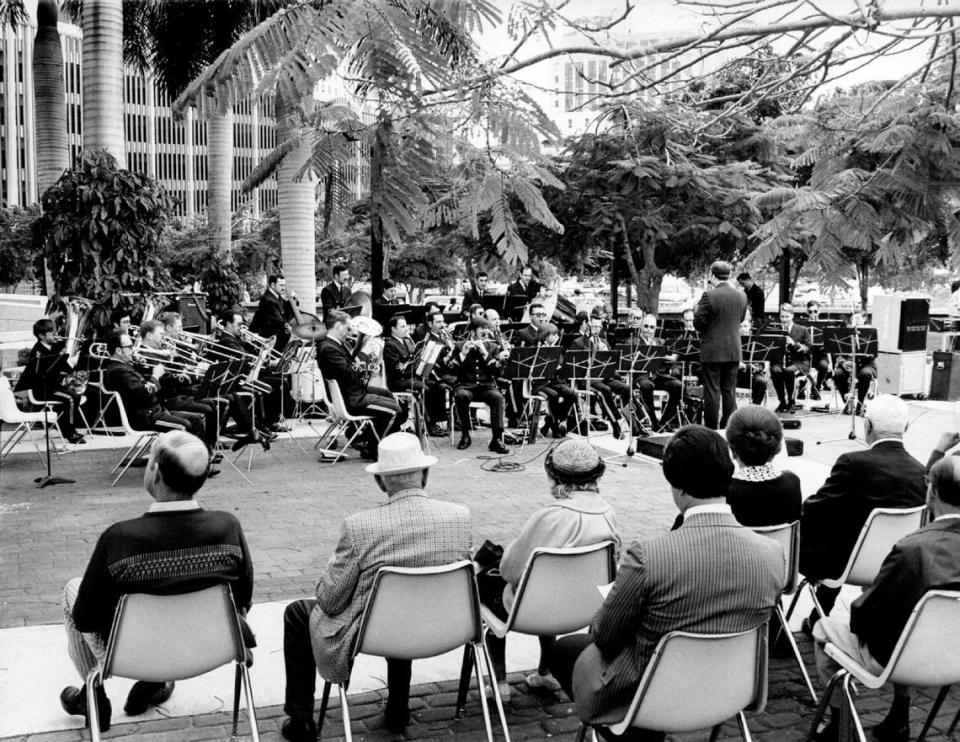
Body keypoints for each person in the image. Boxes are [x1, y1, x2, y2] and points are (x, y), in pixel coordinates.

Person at [549, 426, 785, 740]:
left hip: (652, 700)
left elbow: (605, 637)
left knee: (567, 649)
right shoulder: (773, 554)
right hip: (729, 690)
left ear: (676, 485)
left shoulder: (649, 556)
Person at [280, 433, 472, 741]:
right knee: (400, 601)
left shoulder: (360, 526)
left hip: (380, 629)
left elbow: (329, 601)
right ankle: (398, 708)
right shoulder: (459, 517)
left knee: (298, 613)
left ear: (381, 482)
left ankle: (301, 719)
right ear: (425, 474)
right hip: (443, 627)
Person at [59, 431, 254, 732]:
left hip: (130, 655)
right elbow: (243, 599)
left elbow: (85, 618)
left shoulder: (120, 538)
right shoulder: (228, 527)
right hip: (212, 647)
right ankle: (154, 681)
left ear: (156, 473)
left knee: (74, 589)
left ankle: (93, 696)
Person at [811, 454, 960, 742]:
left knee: (825, 629)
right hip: (954, 658)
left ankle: (839, 722)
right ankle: (898, 713)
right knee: (909, 623)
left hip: (903, 659)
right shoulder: (917, 547)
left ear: (932, 491)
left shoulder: (913, 548)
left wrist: (864, 601)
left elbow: (868, 617)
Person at [481, 439, 620, 698]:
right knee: (547, 586)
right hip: (583, 608)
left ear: (553, 476)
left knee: (488, 585)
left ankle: (499, 683)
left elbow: (509, 571)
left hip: (534, 609)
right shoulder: (608, 513)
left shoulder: (549, 516)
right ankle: (545, 672)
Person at [799, 394, 927, 633]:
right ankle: (820, 615)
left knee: (833, 530)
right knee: (848, 531)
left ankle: (816, 615)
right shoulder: (922, 472)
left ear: (867, 425)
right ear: (906, 427)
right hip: (894, 565)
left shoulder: (852, 462)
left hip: (845, 563)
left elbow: (817, 508)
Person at [317, 310, 400, 460]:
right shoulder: (329, 348)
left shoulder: (334, 345)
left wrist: (366, 366)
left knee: (388, 395)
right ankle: (374, 448)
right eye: (347, 328)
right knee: (395, 411)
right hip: (351, 398)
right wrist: (366, 362)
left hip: (352, 391)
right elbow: (350, 374)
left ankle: (367, 439)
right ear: (337, 326)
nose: (350, 332)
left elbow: (350, 372)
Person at [102, 331, 209, 444]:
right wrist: (155, 376)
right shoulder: (117, 371)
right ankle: (184, 459)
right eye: (129, 347)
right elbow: (143, 392)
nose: (132, 349)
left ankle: (203, 457)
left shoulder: (126, 366)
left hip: (156, 411)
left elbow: (146, 381)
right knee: (183, 426)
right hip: (145, 418)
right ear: (118, 350)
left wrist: (146, 369)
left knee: (196, 420)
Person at [724, 406, 802, 527]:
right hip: (781, 546)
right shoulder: (792, 483)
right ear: (776, 448)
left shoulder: (723, 491)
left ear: (733, 450)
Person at [695, 261, 747, 429]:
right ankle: (728, 428)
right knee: (729, 390)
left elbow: (698, 322)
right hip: (733, 350)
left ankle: (711, 429)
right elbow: (741, 319)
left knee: (712, 391)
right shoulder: (741, 295)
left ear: (712, 275)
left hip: (712, 351)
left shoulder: (709, 296)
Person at [16, 318, 86, 443]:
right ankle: (70, 433)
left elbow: (67, 369)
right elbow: (38, 374)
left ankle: (67, 427)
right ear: (41, 335)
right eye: (52, 332)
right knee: (70, 398)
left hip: (52, 387)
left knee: (76, 396)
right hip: (41, 390)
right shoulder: (37, 351)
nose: (56, 335)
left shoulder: (55, 347)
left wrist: (75, 357)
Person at [451, 319, 510, 454]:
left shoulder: (493, 347)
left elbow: (497, 372)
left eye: (487, 329)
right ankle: (465, 434)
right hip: (465, 386)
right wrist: (463, 354)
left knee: (497, 397)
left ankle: (497, 438)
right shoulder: (460, 345)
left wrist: (485, 353)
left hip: (486, 386)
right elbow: (452, 369)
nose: (486, 332)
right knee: (461, 396)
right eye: (482, 329)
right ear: (472, 332)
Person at [570, 313, 631, 439]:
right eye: (594, 326)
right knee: (605, 390)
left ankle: (631, 420)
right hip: (588, 379)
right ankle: (616, 424)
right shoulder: (579, 343)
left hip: (605, 376)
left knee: (626, 389)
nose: (596, 330)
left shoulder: (604, 342)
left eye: (599, 327)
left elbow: (611, 364)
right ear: (588, 326)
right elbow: (574, 367)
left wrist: (606, 353)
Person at [631, 313, 682, 432]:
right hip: (641, 376)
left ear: (655, 329)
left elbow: (670, 361)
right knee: (648, 386)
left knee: (679, 386)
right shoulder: (634, 342)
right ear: (641, 327)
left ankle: (664, 421)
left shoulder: (660, 342)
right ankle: (654, 421)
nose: (648, 330)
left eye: (651, 327)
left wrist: (669, 358)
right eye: (646, 326)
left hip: (657, 375)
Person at [832, 309, 877, 415]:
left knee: (865, 374)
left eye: (858, 318)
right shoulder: (846, 333)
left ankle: (860, 405)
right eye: (853, 319)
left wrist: (867, 352)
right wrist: (842, 362)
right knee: (838, 374)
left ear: (864, 319)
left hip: (866, 364)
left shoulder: (870, 332)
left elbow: (875, 354)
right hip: (848, 363)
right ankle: (846, 401)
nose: (855, 321)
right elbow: (836, 351)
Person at [769, 302, 812, 413]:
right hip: (780, 361)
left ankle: (791, 401)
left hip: (799, 362)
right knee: (775, 370)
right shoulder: (774, 329)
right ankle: (782, 401)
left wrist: (794, 344)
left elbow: (808, 349)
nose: (784, 319)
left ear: (792, 316)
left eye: (787, 317)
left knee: (789, 371)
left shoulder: (802, 330)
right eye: (782, 316)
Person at [249, 275, 298, 352]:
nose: (284, 288)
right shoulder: (268, 299)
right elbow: (279, 320)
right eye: (281, 285)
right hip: (265, 337)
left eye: (284, 285)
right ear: (272, 285)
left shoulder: (276, 296)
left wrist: (293, 299)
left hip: (273, 335)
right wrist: (291, 329)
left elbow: (286, 310)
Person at [737, 310, 768, 406]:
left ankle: (755, 407)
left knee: (761, 382)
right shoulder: (733, 341)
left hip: (753, 374)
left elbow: (762, 363)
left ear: (750, 327)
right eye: (740, 327)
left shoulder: (757, 341)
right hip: (736, 374)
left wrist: (756, 367)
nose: (743, 329)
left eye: (745, 326)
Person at [802, 300, 831, 397]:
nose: (813, 314)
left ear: (819, 311)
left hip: (820, 355)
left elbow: (828, 346)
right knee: (801, 364)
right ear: (807, 312)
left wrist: (830, 363)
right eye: (810, 311)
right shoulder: (803, 325)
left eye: (815, 311)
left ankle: (816, 387)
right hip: (806, 354)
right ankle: (801, 389)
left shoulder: (824, 326)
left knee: (824, 366)